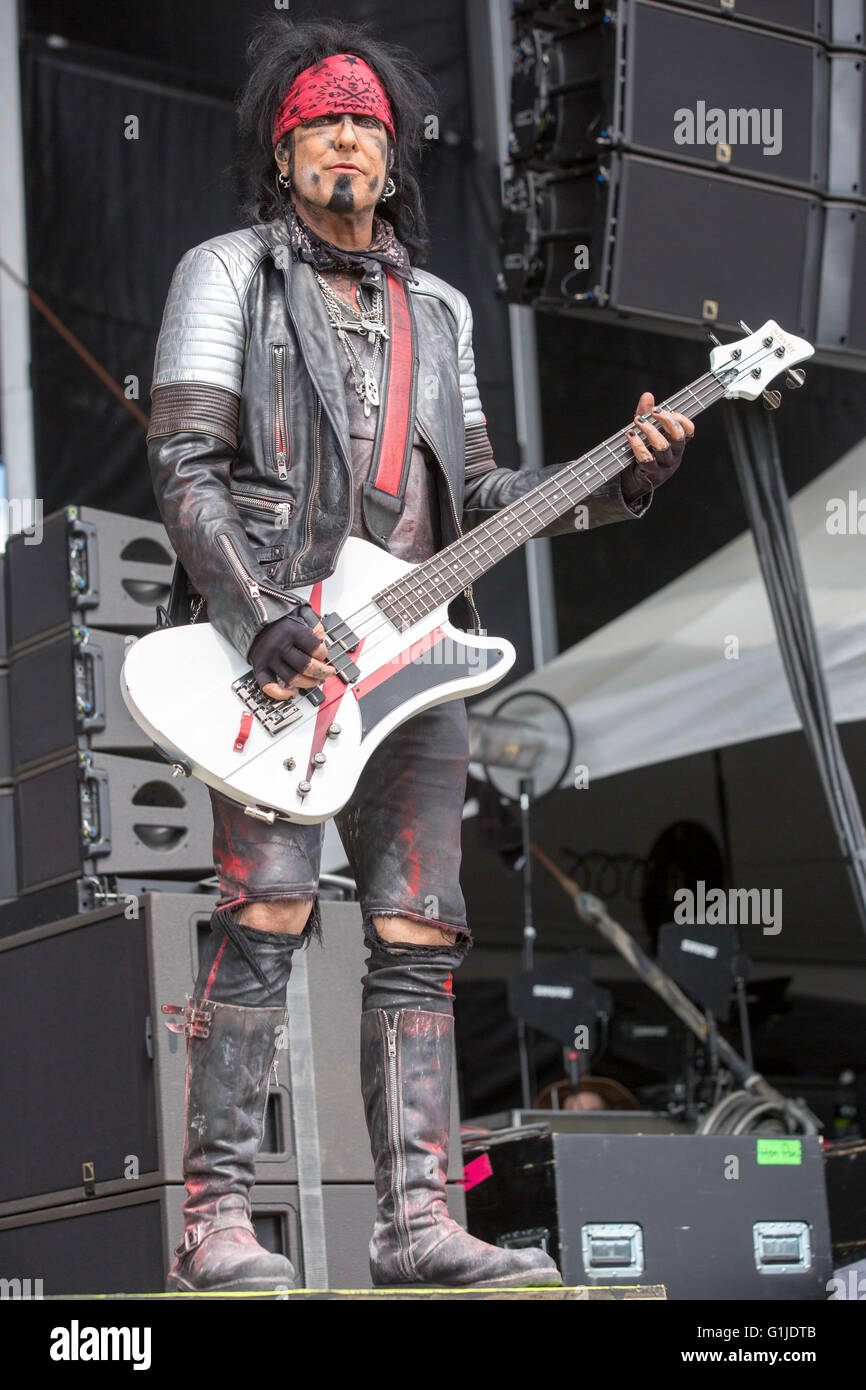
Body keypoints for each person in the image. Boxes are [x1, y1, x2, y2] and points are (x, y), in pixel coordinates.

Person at [146, 15, 694, 1292]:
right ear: (282, 153)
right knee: (266, 911)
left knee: (419, 932)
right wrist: (253, 614)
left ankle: (417, 1223)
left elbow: (486, 489)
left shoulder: (438, 308)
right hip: (281, 645)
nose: (346, 138)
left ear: (393, 161)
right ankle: (214, 1219)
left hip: (415, 660)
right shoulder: (224, 272)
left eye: (366, 126)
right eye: (320, 122)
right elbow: (184, 464)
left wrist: (620, 482)